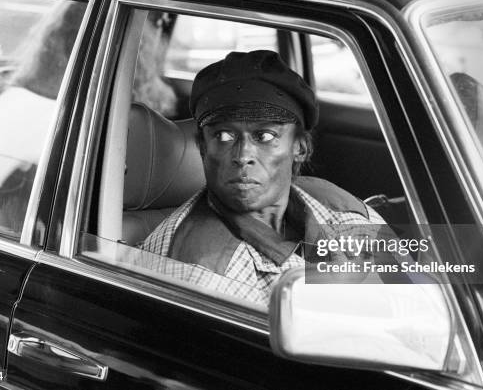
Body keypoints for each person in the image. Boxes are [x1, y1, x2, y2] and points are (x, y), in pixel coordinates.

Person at [136, 50, 387, 304]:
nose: (243, 155)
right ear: (202, 147)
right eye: (224, 136)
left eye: (264, 136)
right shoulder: (202, 272)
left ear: (299, 147)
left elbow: (417, 291)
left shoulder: (340, 208)